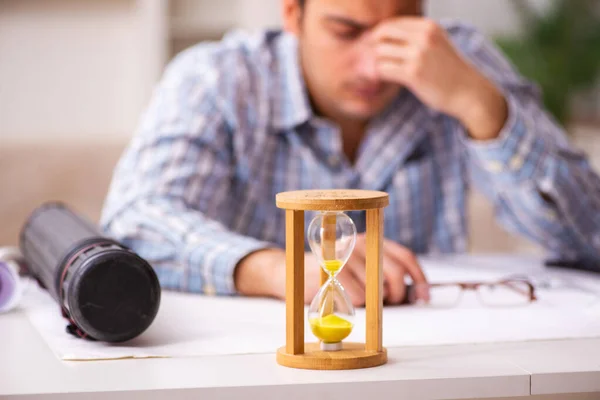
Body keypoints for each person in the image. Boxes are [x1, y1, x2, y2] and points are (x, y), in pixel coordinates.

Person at [100, 0, 600, 307]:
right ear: (292, 12)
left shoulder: (459, 61)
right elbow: (134, 222)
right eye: (347, 32)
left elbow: (588, 237)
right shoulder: (216, 78)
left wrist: (481, 108)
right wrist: (282, 270)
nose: (374, 66)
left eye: (398, 32)